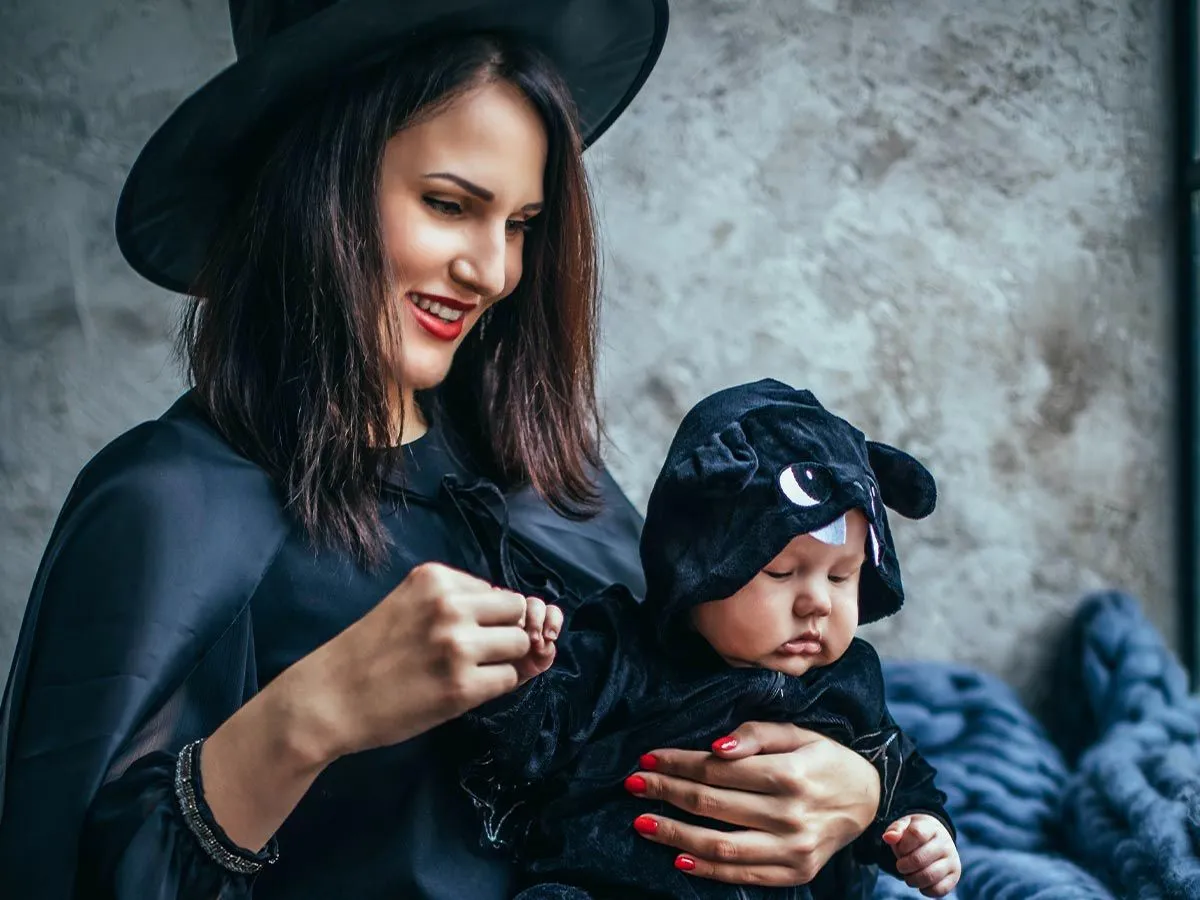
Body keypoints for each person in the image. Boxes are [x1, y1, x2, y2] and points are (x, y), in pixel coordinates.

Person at [0, 3, 887, 899]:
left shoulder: (543, 475)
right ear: (314, 185)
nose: (493, 272)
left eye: (521, 224)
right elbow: (67, 875)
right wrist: (309, 717)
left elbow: (700, 681)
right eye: (449, 205)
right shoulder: (166, 506)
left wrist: (856, 787)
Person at [453, 380, 962, 899]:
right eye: (781, 573)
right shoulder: (621, 651)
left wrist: (922, 829)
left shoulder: (848, 681)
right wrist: (521, 679)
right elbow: (532, 747)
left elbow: (898, 769)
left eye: (840, 578)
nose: (819, 603)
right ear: (696, 569)